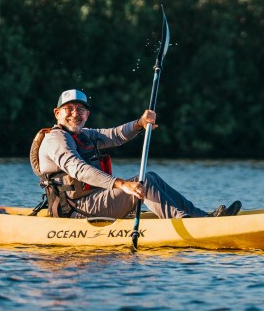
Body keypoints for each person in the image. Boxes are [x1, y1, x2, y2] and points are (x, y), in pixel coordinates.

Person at [33, 89, 241, 219]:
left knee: (150, 178)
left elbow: (115, 135)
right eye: (68, 109)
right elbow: (78, 170)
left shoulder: (85, 135)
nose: (75, 113)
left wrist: (140, 124)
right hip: (76, 208)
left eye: (80, 109)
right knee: (144, 184)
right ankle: (184, 223)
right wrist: (122, 184)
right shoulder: (55, 139)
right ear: (57, 113)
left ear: (87, 114)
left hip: (94, 200)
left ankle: (201, 217)